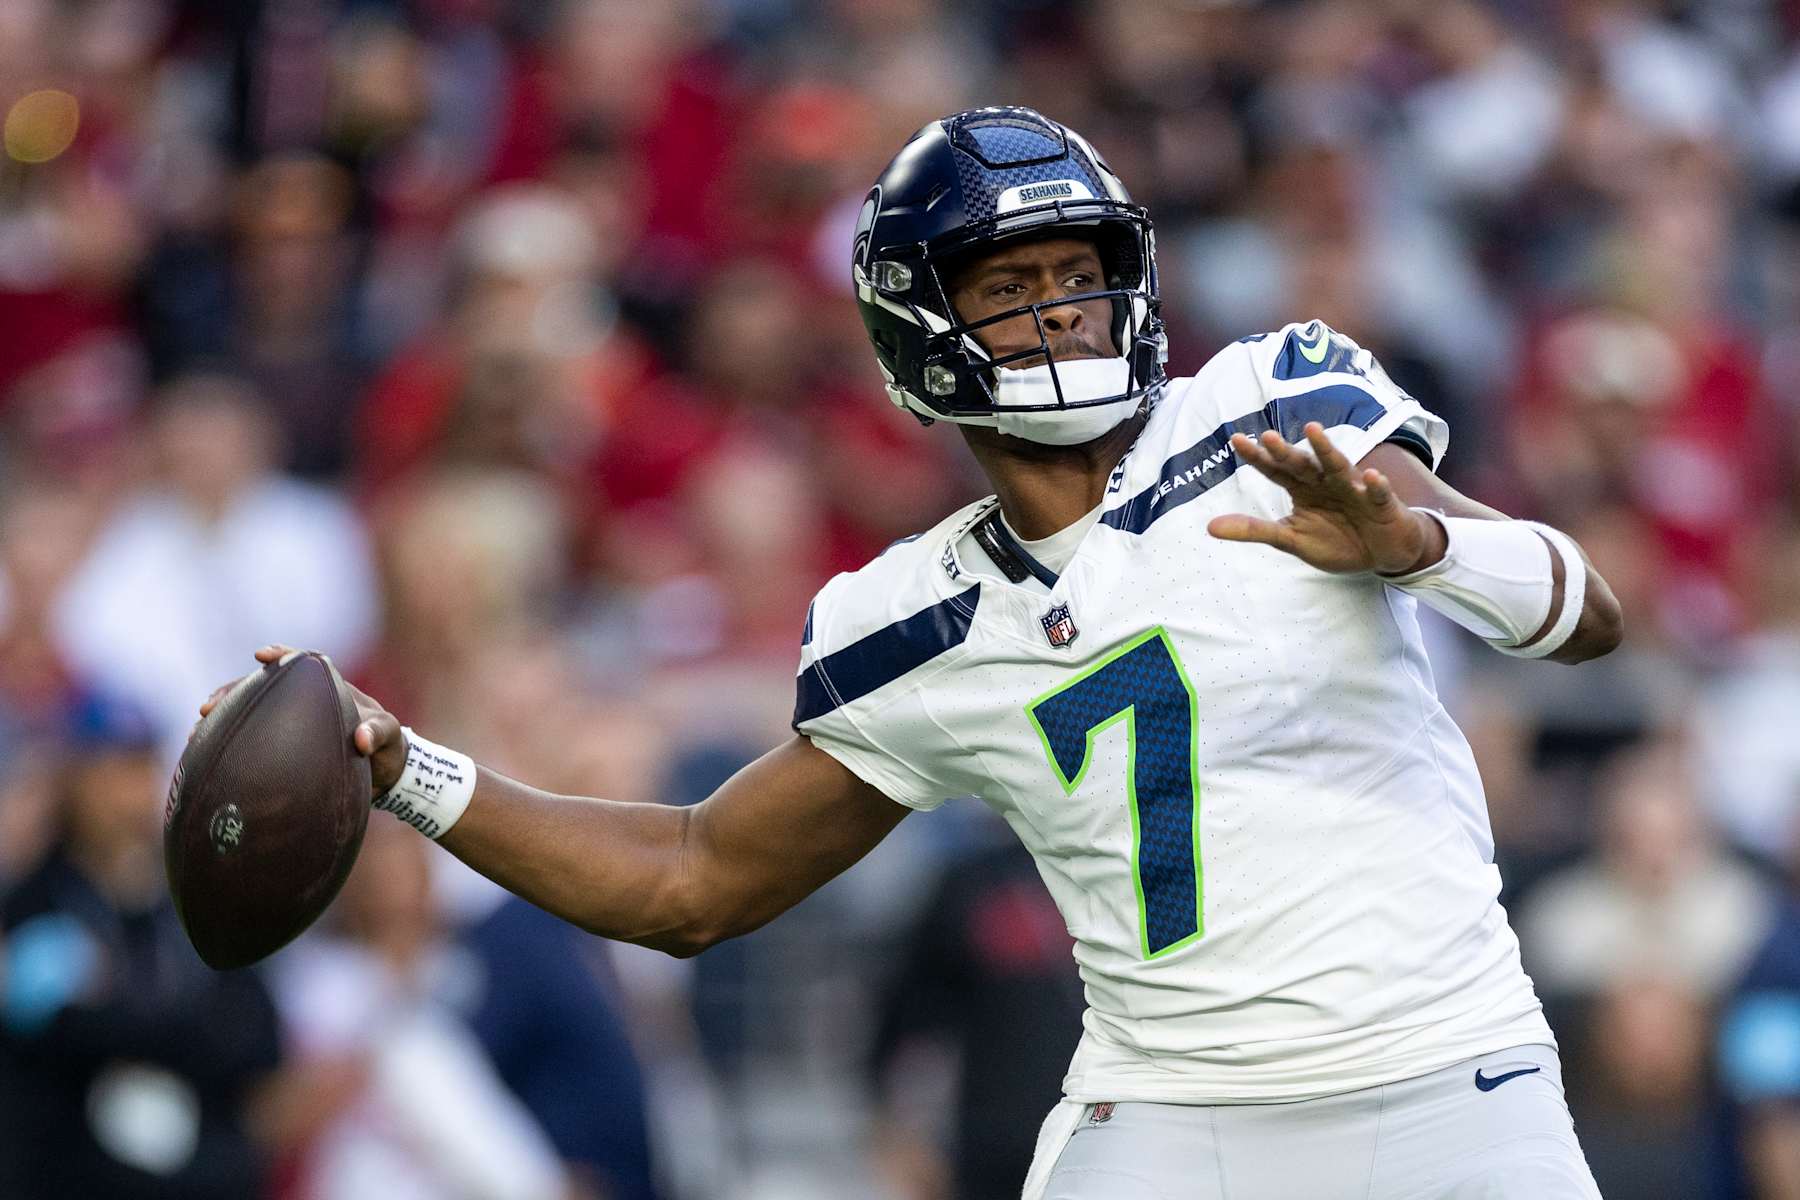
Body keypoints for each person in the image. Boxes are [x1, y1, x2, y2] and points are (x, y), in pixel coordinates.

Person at [211, 107, 1623, 1199]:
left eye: (1081, 270)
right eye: (1015, 282)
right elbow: (693, 879)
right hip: (1174, 1119)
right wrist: (407, 771)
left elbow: (1584, 611)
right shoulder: (912, 619)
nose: (1064, 305)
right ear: (922, 325)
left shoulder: (1265, 409)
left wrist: (1423, 552)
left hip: (1456, 1077)